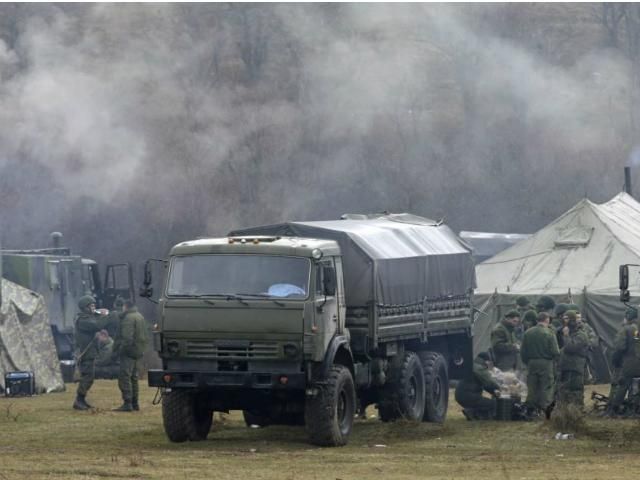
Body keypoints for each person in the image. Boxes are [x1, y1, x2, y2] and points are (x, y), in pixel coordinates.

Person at [73, 295, 111, 410]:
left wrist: (99, 313)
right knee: (88, 377)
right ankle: (79, 400)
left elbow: (94, 320)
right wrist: (105, 316)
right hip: (86, 353)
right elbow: (97, 325)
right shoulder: (83, 320)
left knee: (89, 376)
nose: (94, 308)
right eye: (91, 306)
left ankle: (81, 400)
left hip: (89, 352)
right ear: (85, 308)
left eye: (94, 305)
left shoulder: (87, 317)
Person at [112, 300, 149, 412]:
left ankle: (127, 403)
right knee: (134, 378)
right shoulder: (139, 316)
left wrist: (120, 351)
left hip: (129, 352)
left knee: (124, 377)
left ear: (125, 306)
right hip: (138, 351)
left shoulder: (128, 318)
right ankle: (135, 403)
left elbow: (127, 338)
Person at [520, 312, 560, 415]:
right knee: (546, 386)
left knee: (532, 386)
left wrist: (527, 362)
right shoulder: (549, 333)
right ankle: (544, 409)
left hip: (531, 362)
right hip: (546, 363)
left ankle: (530, 409)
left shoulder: (528, 332)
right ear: (547, 320)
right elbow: (555, 351)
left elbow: (523, 351)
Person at [609, 307, 640, 415]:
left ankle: (614, 409)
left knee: (623, 385)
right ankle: (635, 409)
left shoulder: (626, 329)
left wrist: (616, 359)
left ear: (628, 317)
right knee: (637, 386)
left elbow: (619, 346)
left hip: (629, 362)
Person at [455, 352, 501, 420]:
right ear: (486, 361)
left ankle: (471, 411)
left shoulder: (474, 365)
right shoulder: (479, 368)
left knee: (484, 403)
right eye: (489, 362)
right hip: (468, 395)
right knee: (493, 404)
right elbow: (490, 381)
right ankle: (472, 413)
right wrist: (501, 387)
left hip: (462, 395)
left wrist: (493, 392)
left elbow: (486, 384)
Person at [557, 310, 589, 408]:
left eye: (567, 318)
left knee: (575, 391)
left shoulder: (581, 335)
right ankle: (564, 412)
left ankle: (577, 412)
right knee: (563, 391)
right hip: (565, 367)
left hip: (575, 367)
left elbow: (571, 348)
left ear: (572, 320)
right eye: (564, 318)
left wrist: (566, 336)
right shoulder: (564, 332)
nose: (564, 321)